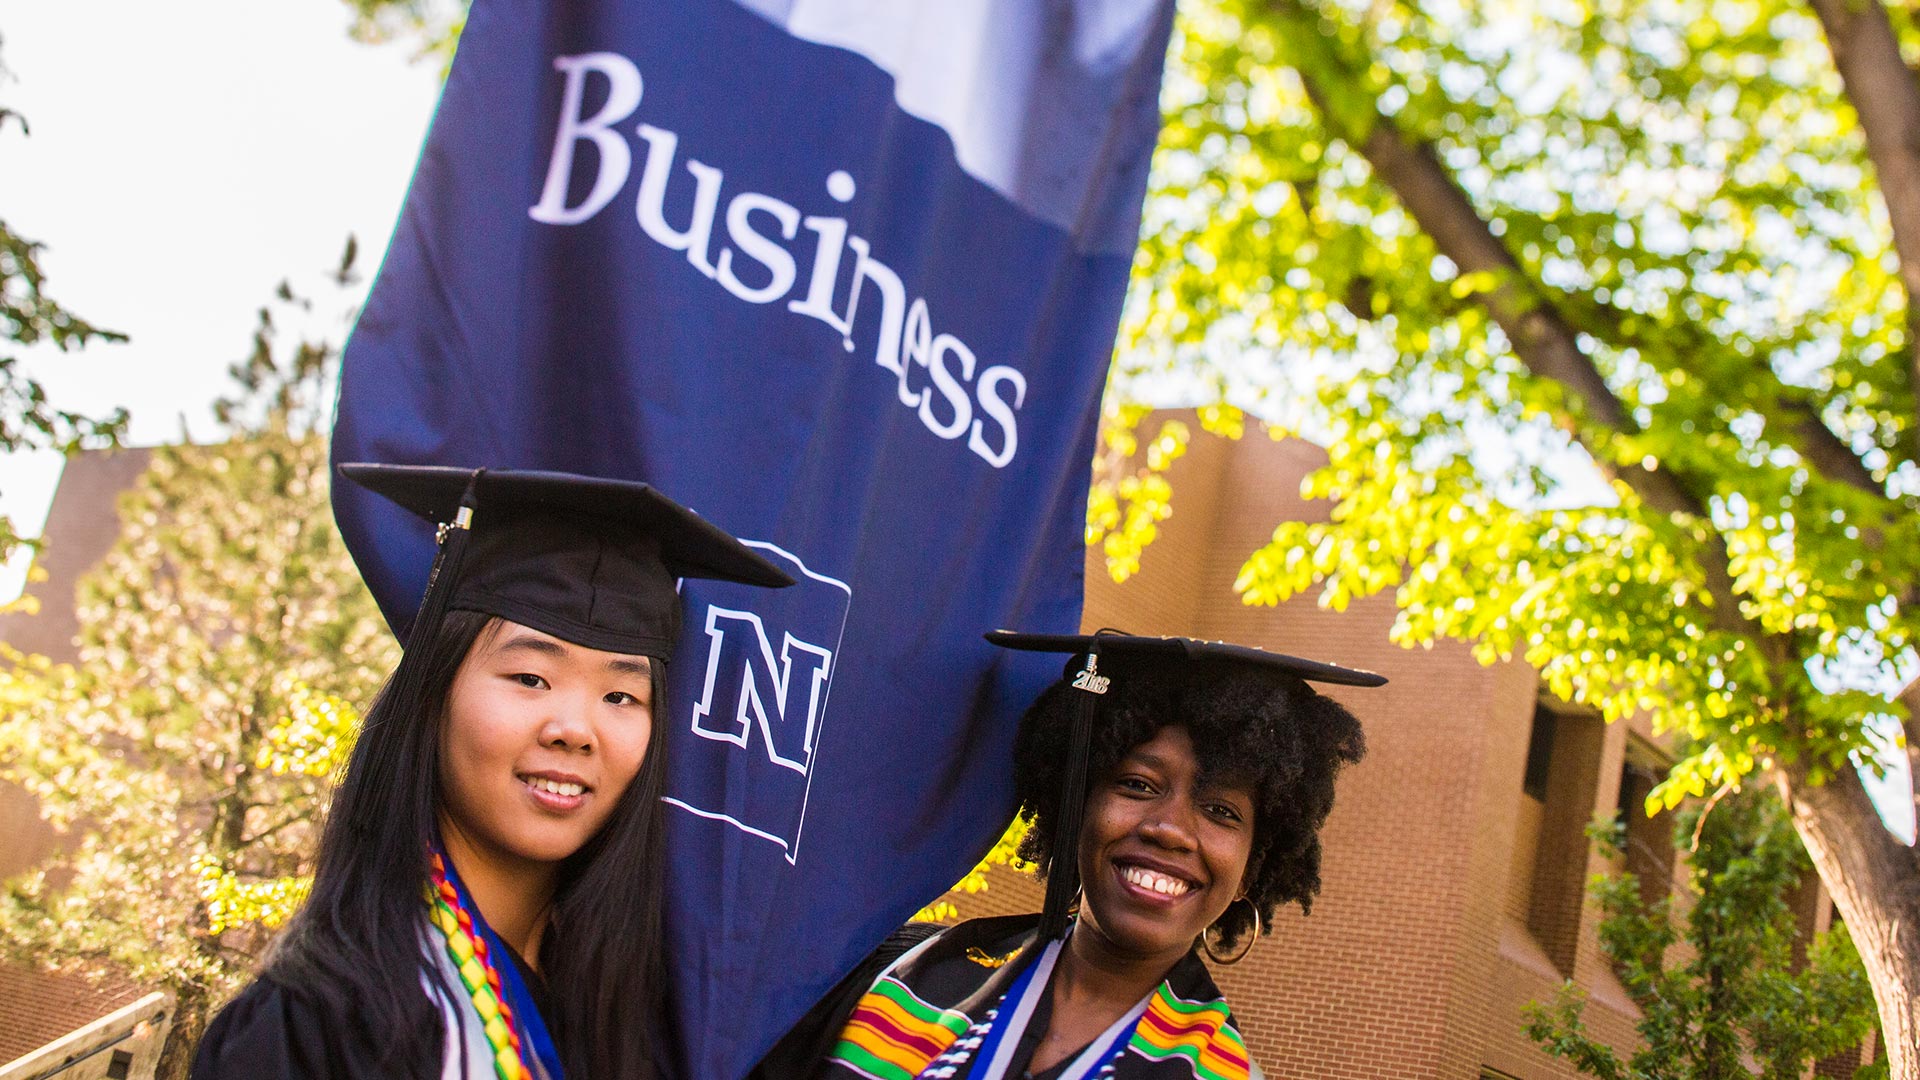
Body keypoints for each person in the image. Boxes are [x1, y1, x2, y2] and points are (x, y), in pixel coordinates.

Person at [191, 464, 793, 1080]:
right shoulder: (307, 1031)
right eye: (530, 678)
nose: (575, 729)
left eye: (621, 697)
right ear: (432, 692)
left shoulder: (636, 1031)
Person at [760, 631, 1377, 1080]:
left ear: (1254, 868)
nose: (1170, 830)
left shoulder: (1217, 1072)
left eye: (1221, 812)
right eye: (1137, 785)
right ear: (1073, 804)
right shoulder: (901, 977)